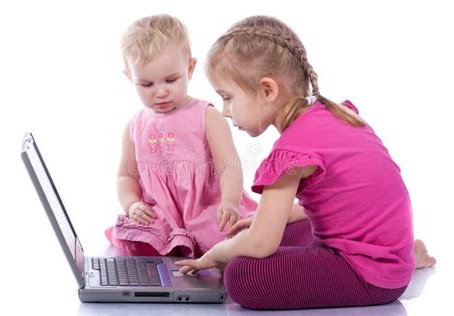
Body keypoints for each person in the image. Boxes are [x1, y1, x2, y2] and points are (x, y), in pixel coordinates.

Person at [176, 15, 436, 309]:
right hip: (382, 249)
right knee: (266, 230)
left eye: (228, 97)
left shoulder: (292, 151)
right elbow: (344, 201)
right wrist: (272, 220)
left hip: (369, 276)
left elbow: (262, 244)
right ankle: (405, 255)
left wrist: (217, 253)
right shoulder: (331, 114)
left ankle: (401, 261)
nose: (224, 111)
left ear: (267, 90)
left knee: (241, 274)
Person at [105, 14, 257, 258]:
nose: (161, 92)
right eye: (147, 84)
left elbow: (229, 166)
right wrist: (132, 204)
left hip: (206, 208)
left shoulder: (206, 116)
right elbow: (126, 175)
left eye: (171, 79)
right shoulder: (135, 126)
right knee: (136, 236)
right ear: (130, 78)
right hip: (163, 213)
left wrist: (229, 201)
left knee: (228, 237)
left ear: (189, 68)